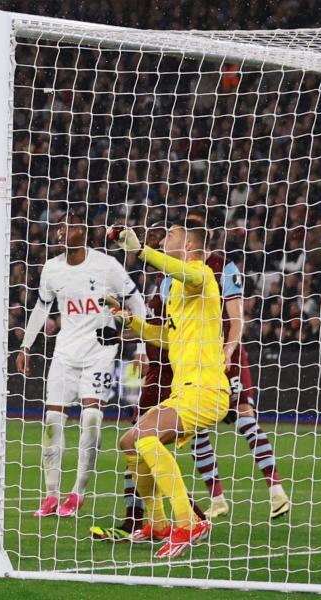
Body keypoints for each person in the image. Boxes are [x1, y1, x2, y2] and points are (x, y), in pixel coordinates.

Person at [102, 224, 227, 559]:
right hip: (184, 391)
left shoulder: (203, 276)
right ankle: (157, 524)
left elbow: (187, 272)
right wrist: (129, 321)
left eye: (170, 235)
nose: (165, 239)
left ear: (187, 243)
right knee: (129, 441)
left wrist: (142, 252)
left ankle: (188, 523)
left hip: (206, 389)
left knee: (145, 439)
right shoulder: (177, 293)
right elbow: (168, 338)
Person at [16, 212, 147, 518]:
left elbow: (135, 301)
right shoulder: (51, 269)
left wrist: (140, 345)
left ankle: (78, 492)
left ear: (84, 233)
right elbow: (41, 307)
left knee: (90, 418)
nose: (61, 232)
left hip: (99, 353)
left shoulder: (106, 265)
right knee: (52, 423)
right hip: (64, 354)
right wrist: (26, 345)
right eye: (59, 227)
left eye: (68, 227)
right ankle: (50, 495)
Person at [182, 210, 290, 520]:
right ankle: (217, 500)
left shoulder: (223, 267)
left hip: (225, 356)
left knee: (244, 416)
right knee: (196, 426)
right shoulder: (174, 273)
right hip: (194, 361)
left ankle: (276, 491)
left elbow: (237, 318)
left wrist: (228, 350)